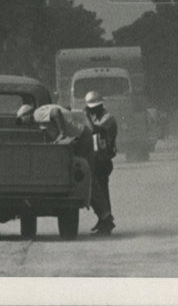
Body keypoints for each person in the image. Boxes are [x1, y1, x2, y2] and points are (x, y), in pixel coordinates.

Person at [16, 102, 110, 232]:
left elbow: (56, 112)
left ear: (27, 115)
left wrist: (62, 133)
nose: (23, 123)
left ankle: (105, 217)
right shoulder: (41, 119)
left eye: (22, 119)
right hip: (80, 136)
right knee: (86, 178)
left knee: (87, 178)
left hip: (81, 137)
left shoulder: (38, 114)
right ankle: (104, 217)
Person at [84, 91, 118, 235]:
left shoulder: (108, 118)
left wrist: (85, 116)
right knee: (98, 191)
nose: (92, 110)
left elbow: (93, 129)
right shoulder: (96, 117)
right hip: (95, 159)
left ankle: (107, 221)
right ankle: (103, 219)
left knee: (101, 191)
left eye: (94, 108)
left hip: (103, 160)